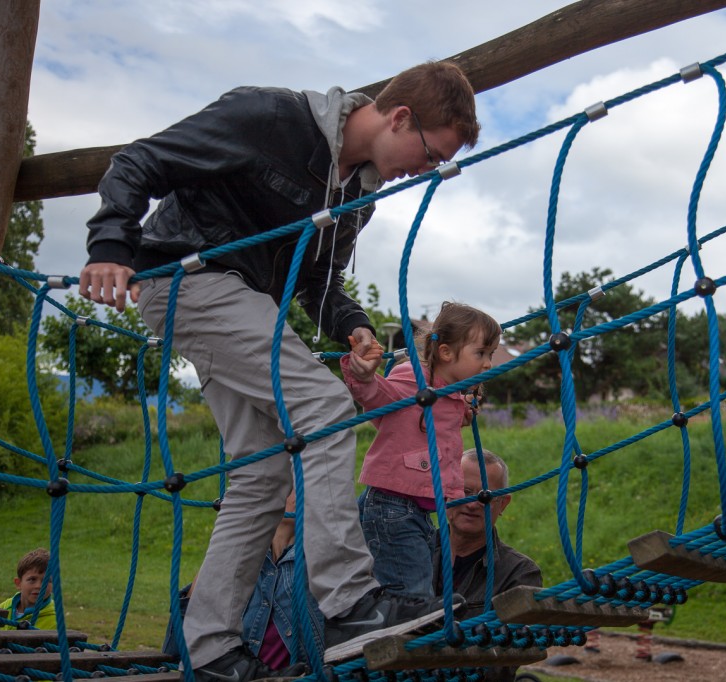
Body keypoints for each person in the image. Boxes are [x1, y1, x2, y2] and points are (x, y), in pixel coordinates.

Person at [78, 61, 480, 682]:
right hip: (189, 276)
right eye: (429, 155)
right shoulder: (269, 118)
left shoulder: (357, 193)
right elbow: (140, 160)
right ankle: (347, 600)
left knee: (263, 472)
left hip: (245, 304)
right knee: (323, 406)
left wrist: (351, 324)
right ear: (400, 117)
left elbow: (316, 281)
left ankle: (207, 645)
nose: (422, 172)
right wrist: (110, 242)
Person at [341, 302, 501, 599]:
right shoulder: (415, 378)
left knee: (414, 578)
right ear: (446, 353)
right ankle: (411, 625)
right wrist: (363, 376)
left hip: (414, 509)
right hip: (391, 505)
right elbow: (380, 398)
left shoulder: (451, 393)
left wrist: (461, 411)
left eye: (490, 355)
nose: (488, 363)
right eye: (481, 353)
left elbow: (434, 430)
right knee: (409, 589)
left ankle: (414, 615)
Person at [162, 491, 323, 673]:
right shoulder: (241, 557)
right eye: (291, 480)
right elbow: (177, 647)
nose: (301, 487)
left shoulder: (320, 560)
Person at [433, 449, 542, 682]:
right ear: (446, 493)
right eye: (465, 491)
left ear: (503, 504)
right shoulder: (410, 555)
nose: (473, 504)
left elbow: (503, 661)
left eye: (485, 496)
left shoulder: (520, 574)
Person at [0, 548, 57, 630]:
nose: (39, 586)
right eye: (32, 579)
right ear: (18, 583)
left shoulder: (54, 621)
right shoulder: (5, 608)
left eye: (46, 581)